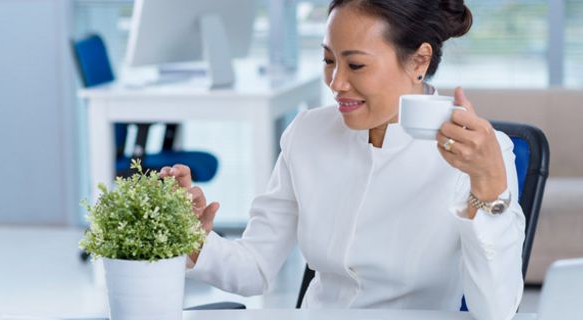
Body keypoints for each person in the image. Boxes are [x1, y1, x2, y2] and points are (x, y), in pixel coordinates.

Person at [160, 0, 524, 319]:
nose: (336, 83)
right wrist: (192, 237)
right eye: (328, 60)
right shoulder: (307, 133)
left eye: (356, 66)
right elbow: (254, 268)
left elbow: (496, 310)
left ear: (419, 60)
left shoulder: (480, 156)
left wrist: (489, 184)